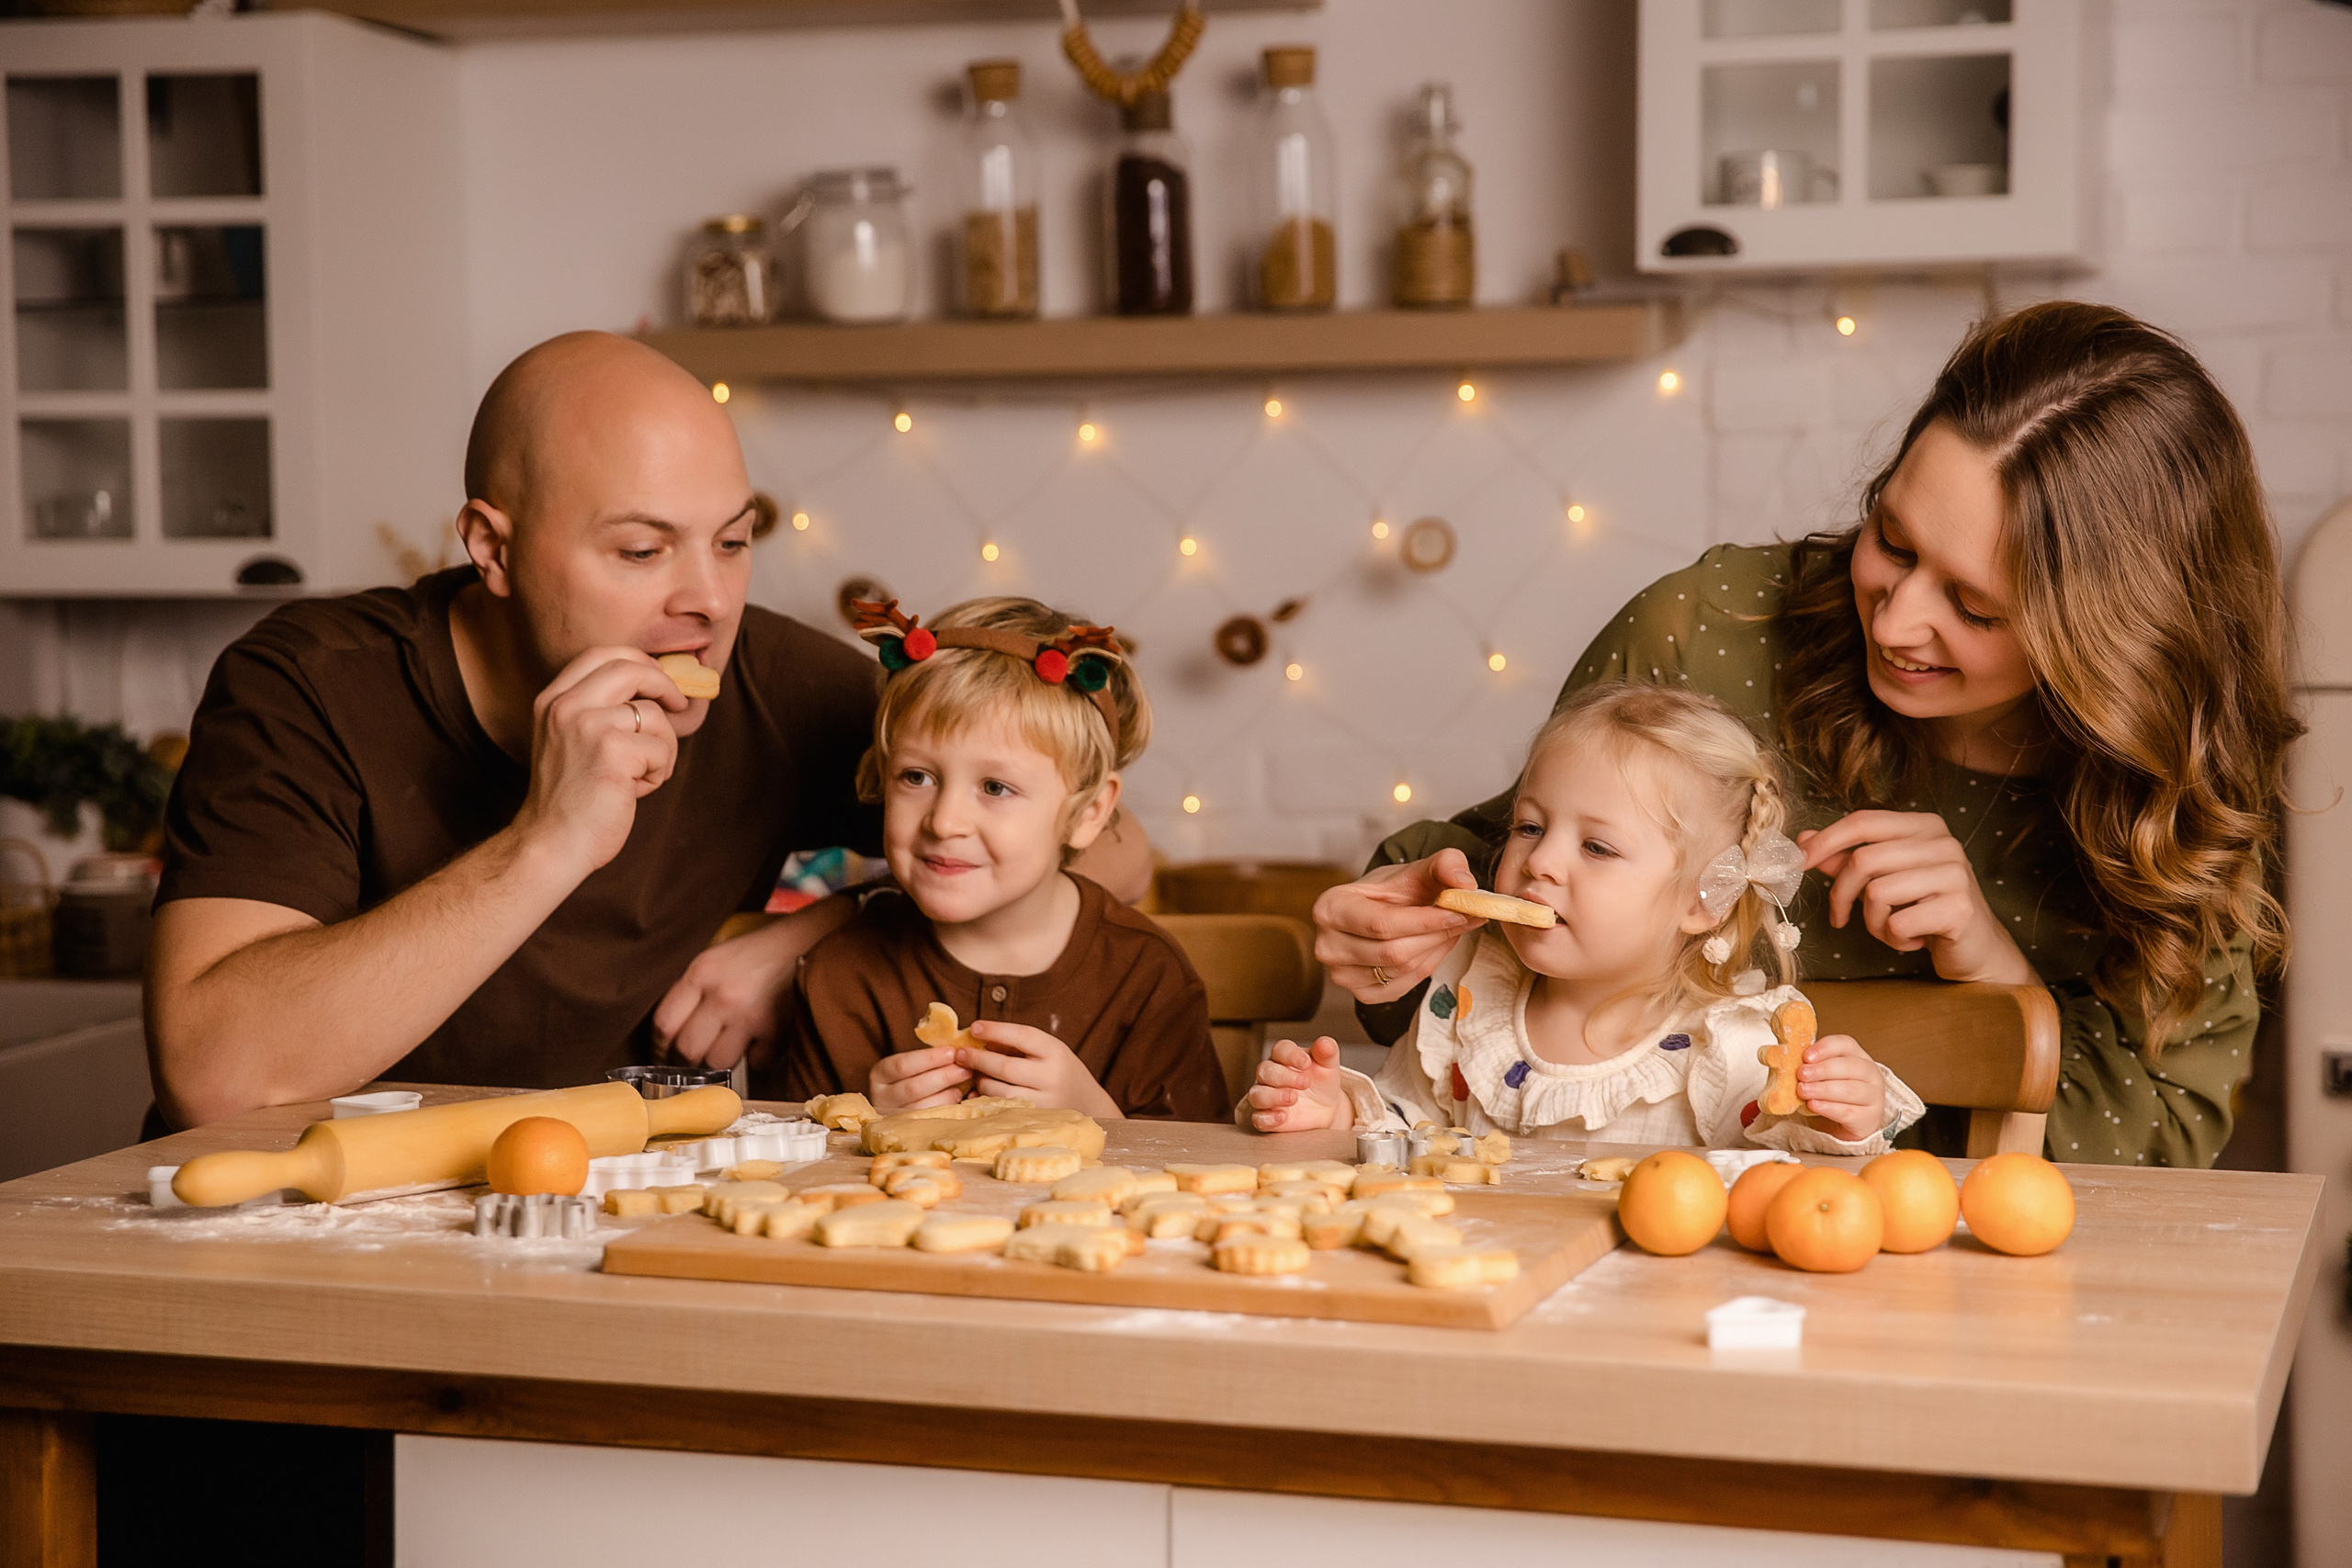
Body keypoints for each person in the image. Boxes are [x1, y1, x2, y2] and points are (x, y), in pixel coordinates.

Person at [1310, 302, 2295, 1168]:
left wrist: (1988, 970)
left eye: (1974, 607)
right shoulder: (1711, 630)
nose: (1898, 621)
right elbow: (1488, 926)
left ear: (2115, 642)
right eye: (1892, 542)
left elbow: (2159, 1138)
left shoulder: (2164, 777)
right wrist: (1397, 929)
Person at [146, 333, 1148, 1126]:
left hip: (607, 1221)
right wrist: (549, 840)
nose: (708, 601)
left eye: (732, 542)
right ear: (492, 548)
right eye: (639, 550)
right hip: (303, 1235)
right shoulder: (310, 685)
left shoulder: (765, 680)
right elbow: (215, 1076)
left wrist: (813, 939)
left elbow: (1111, 856)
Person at [1245, 682, 1924, 1153]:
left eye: (1596, 846)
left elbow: (1796, 1167)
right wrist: (1336, 1111)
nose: (1541, 862)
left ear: (1704, 900)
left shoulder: (1732, 1043)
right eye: (1530, 826)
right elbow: (1408, 1124)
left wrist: (1839, 1116)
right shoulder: (1469, 998)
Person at [775, 596, 1226, 1122]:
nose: (944, 821)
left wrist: (1097, 1117)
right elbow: (793, 1173)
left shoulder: (1148, 977)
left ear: (1089, 811)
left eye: (995, 786)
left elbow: (1202, 1175)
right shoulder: (841, 975)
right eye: (916, 777)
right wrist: (858, 1123)